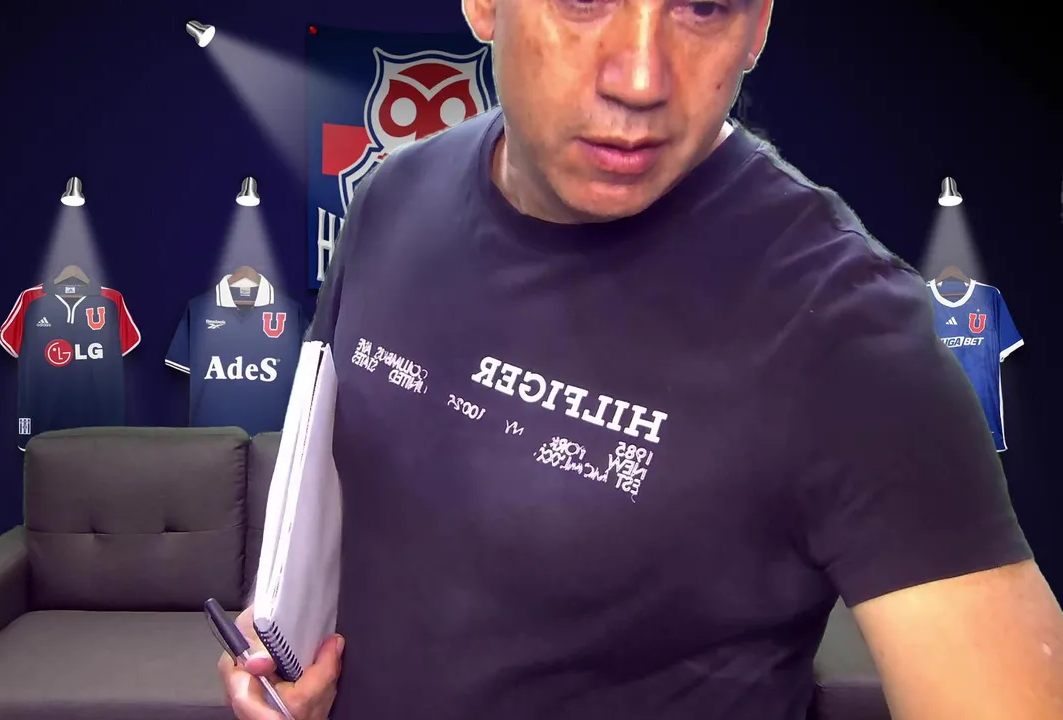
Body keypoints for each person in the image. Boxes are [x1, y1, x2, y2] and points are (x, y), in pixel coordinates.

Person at [220, 0, 1063, 718]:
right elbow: (351, 512)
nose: (640, 78)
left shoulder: (849, 332)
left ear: (759, 24)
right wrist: (288, 658)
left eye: (704, 7)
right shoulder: (392, 198)